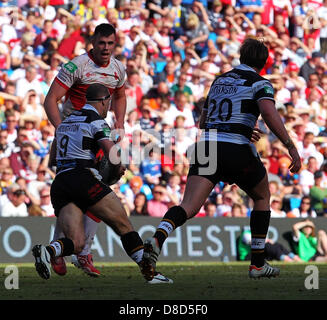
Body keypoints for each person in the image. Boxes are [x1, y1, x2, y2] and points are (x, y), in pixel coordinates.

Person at [141, 38, 301, 281]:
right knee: (262, 196)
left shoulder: (219, 80)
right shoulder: (260, 83)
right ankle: (257, 263)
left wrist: (240, 126)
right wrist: (290, 145)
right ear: (264, 61)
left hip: (207, 147)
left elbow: (203, 122)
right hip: (235, 148)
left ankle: (158, 237)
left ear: (241, 57)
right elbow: (269, 113)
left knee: (189, 206)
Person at [32, 84, 172, 284]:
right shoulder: (96, 122)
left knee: (77, 243)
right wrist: (116, 172)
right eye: (109, 102)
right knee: (123, 224)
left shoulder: (64, 122)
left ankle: (47, 250)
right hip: (83, 177)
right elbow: (113, 156)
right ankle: (150, 273)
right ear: (104, 101)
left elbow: (52, 159)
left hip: (61, 182)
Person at [43, 23, 127, 277]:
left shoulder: (118, 69)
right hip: (75, 136)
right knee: (79, 191)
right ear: (93, 42)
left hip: (98, 134)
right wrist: (62, 128)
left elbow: (120, 96)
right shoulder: (76, 66)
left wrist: (120, 123)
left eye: (110, 43)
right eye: (101, 43)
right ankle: (69, 250)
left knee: (96, 190)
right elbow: (50, 99)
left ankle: (76, 251)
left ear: (115, 44)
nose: (106, 48)